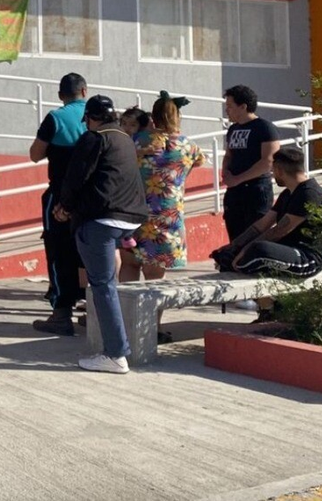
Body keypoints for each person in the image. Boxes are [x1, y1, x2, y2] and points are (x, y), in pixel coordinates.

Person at [55, 95, 149, 374]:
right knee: (108, 283)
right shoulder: (123, 138)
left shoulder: (94, 138)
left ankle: (115, 353)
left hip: (101, 220)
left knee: (103, 286)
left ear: (91, 119)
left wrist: (64, 207)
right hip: (130, 217)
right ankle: (116, 347)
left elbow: (76, 176)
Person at [211, 146, 322, 320]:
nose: (273, 175)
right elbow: (262, 225)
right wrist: (233, 246)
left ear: (279, 170)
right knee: (229, 257)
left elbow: (279, 231)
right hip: (290, 251)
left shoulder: (309, 194)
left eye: (273, 170)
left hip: (309, 257)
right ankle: (269, 308)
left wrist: (245, 250)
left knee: (258, 252)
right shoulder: (288, 194)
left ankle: (273, 308)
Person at [121, 92, 205, 283]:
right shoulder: (188, 146)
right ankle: (151, 314)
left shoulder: (136, 140)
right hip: (167, 215)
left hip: (134, 211)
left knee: (129, 265)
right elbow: (198, 162)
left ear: (153, 117)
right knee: (154, 278)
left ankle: (126, 313)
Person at [28, 73, 88, 335]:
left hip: (61, 196)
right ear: (84, 91)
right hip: (94, 197)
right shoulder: (101, 117)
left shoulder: (55, 118)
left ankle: (61, 312)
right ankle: (95, 310)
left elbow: (35, 155)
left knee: (59, 251)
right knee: (91, 252)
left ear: (61, 95)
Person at [222, 84, 281, 240]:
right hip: (234, 194)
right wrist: (226, 172)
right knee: (235, 238)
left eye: (230, 106)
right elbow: (228, 155)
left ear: (243, 107)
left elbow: (268, 161)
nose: (227, 110)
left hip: (256, 192)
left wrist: (238, 179)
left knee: (253, 240)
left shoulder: (264, 128)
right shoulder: (233, 129)